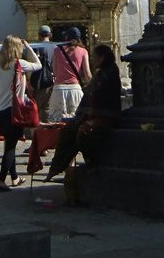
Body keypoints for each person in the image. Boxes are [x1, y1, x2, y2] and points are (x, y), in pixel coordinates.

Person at [46, 44, 121, 181]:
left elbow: (101, 95)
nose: (92, 60)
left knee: (84, 132)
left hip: (105, 115)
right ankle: (56, 167)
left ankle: (92, 163)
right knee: (67, 131)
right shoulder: (99, 74)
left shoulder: (110, 72)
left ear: (103, 57)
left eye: (95, 57)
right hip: (88, 115)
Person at [0, 35, 41, 192]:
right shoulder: (19, 64)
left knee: (9, 143)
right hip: (14, 110)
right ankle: (1, 181)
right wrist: (29, 47)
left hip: (0, 110)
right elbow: (38, 65)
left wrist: (3, 89)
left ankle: (15, 177)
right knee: (10, 147)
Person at [47, 27, 91, 122]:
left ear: (66, 37)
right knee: (76, 121)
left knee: (56, 122)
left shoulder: (57, 50)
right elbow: (87, 74)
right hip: (75, 89)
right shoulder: (83, 52)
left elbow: (54, 70)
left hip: (58, 89)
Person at [29, 25, 54, 122]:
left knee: (36, 107)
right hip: (51, 80)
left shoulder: (35, 47)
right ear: (50, 35)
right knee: (47, 108)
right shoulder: (55, 47)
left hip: (38, 80)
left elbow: (31, 65)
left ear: (39, 35)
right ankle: (46, 131)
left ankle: (36, 131)